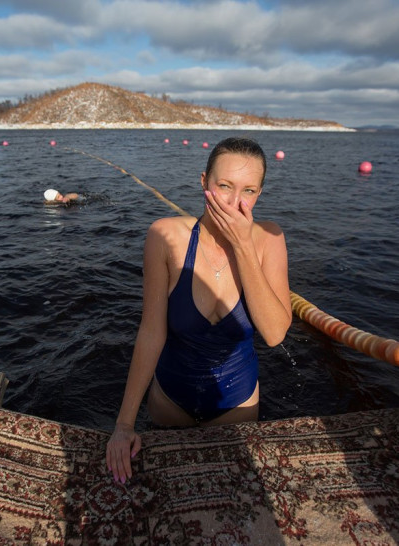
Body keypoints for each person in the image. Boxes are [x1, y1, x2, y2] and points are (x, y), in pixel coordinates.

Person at [105, 137, 292, 483]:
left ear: (260, 194)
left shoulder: (270, 239)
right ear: (204, 181)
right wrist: (124, 424)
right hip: (169, 405)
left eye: (249, 191)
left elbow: (274, 333)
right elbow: (151, 332)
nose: (234, 203)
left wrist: (243, 246)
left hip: (237, 409)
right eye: (225, 186)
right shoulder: (164, 236)